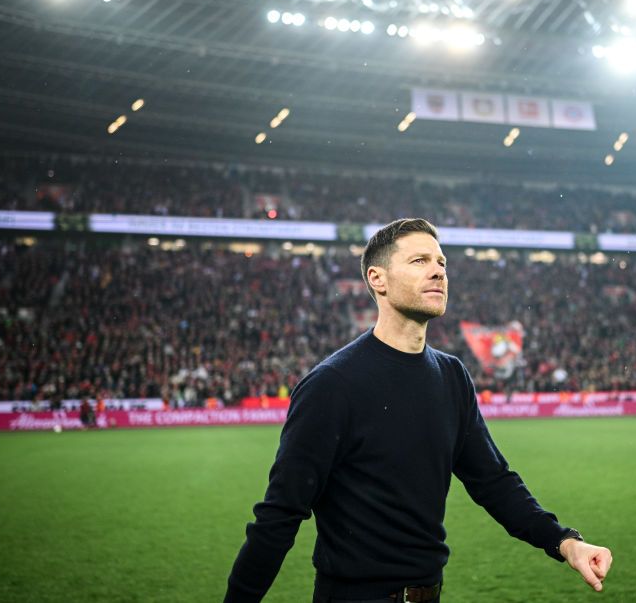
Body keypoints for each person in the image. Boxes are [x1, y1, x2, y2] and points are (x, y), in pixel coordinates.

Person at [225, 219, 612, 602]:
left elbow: (493, 481)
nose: (438, 272)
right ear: (378, 279)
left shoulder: (451, 376)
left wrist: (564, 542)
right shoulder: (332, 385)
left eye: (442, 263)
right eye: (419, 261)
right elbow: (280, 515)